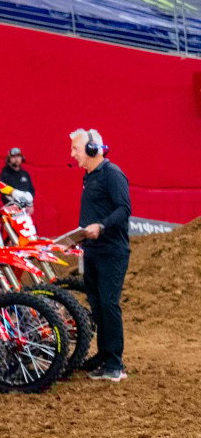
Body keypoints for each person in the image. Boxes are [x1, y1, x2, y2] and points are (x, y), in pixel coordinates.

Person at [72, 129, 129, 381]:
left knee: (108, 304)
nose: (72, 154)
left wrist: (102, 226)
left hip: (111, 252)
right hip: (92, 251)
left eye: (75, 149)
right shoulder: (89, 176)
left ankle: (115, 363)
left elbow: (124, 208)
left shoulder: (112, 174)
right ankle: (104, 355)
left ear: (92, 149)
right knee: (97, 305)